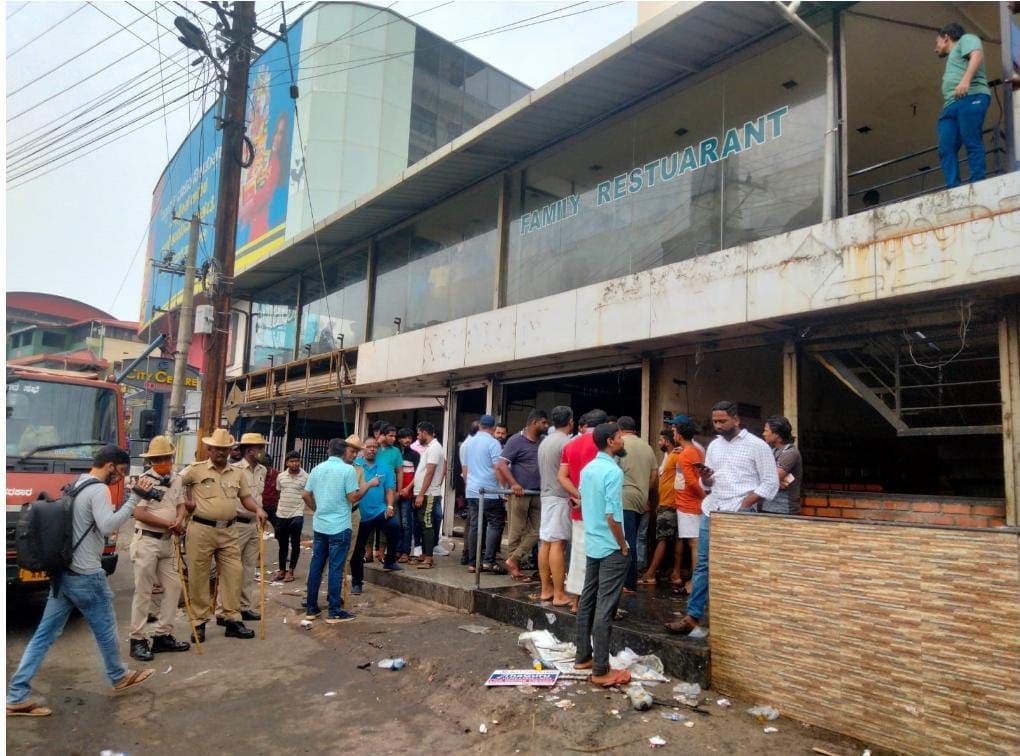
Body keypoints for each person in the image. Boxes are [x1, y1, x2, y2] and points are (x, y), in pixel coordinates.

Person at [6, 445, 155, 716]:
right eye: (120, 472)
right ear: (110, 465)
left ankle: (16, 695)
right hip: (86, 576)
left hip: (64, 574)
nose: (120, 478)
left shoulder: (75, 484)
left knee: (43, 636)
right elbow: (108, 526)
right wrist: (134, 499)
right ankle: (118, 675)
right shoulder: (98, 489)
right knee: (106, 629)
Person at [665, 402, 778, 639]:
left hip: (740, 512)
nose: (718, 425)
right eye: (715, 421)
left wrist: (746, 503)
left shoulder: (757, 446)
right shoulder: (714, 446)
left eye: (722, 421)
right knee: (703, 565)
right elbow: (710, 483)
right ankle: (692, 616)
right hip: (712, 509)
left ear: (736, 420)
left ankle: (742, 619)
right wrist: (706, 479)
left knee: (738, 566)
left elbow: (770, 483)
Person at [179, 429, 268, 642]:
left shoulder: (237, 473)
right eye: (217, 449)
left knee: (234, 574)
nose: (221, 452)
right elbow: (174, 486)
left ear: (230, 450)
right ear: (209, 449)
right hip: (201, 529)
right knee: (199, 577)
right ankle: (199, 622)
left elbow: (245, 497)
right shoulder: (195, 470)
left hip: (229, 530)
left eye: (225, 449)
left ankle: (232, 619)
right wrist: (184, 503)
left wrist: (258, 509)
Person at [573, 423, 632, 688]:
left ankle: (583, 656)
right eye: (620, 437)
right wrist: (622, 545)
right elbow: (612, 515)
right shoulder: (613, 471)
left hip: (593, 543)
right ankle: (600, 669)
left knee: (587, 599)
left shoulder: (588, 470)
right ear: (610, 441)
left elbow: (584, 502)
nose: (623, 440)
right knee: (605, 606)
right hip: (610, 546)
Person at [128, 436, 191, 662]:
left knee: (174, 587)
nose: (163, 462)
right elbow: (138, 513)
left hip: (168, 541)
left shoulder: (176, 480)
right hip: (147, 540)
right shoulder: (144, 481)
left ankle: (163, 634)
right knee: (143, 591)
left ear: (171, 458)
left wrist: (180, 520)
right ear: (151, 461)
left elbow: (181, 505)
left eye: (166, 458)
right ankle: (137, 638)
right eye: (158, 459)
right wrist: (168, 523)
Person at [301, 438, 361, 623]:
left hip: (320, 525)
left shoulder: (317, 469)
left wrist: (317, 509)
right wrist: (366, 487)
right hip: (340, 526)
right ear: (344, 452)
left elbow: (305, 494)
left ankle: (311, 608)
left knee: (316, 566)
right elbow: (352, 497)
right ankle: (334, 610)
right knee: (335, 568)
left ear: (328, 451)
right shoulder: (348, 470)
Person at [217, 432, 268, 625]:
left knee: (249, 568)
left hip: (254, 523)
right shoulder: (234, 470)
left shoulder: (262, 470)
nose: (262, 451)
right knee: (231, 569)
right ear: (250, 449)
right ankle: (223, 610)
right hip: (236, 524)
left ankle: (245, 606)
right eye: (259, 448)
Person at [558, 409, 607, 606]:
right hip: (599, 510)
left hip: (578, 509)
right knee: (600, 557)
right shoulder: (603, 445)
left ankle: (577, 602)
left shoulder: (571, 445)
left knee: (578, 556)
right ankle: (595, 602)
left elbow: (562, 476)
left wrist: (579, 495)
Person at [935, 22, 991, 188]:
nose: (935, 48)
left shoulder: (967, 39)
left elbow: (976, 55)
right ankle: (953, 187)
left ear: (946, 37)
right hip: (951, 104)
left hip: (972, 95)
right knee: (945, 147)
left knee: (971, 140)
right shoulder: (952, 58)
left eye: (936, 42)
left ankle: (978, 182)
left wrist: (965, 80)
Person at [497, 409, 549, 582]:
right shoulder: (516, 440)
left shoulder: (543, 441)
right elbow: (502, 465)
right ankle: (515, 569)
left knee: (538, 530)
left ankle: (514, 559)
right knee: (516, 531)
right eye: (543, 422)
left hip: (537, 492)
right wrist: (514, 484)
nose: (546, 426)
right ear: (534, 422)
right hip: (520, 494)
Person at [350, 437, 401, 594]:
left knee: (395, 526)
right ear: (363, 449)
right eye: (369, 446)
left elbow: (389, 490)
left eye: (375, 447)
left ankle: (390, 560)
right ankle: (357, 582)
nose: (372, 449)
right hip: (360, 514)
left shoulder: (384, 467)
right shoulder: (355, 467)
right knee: (357, 549)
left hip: (379, 510)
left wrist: (390, 506)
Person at [537, 405, 574, 606]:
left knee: (546, 542)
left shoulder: (545, 442)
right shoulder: (566, 443)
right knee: (558, 543)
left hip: (546, 495)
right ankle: (559, 594)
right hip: (560, 497)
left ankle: (546, 589)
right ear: (570, 421)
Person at [616, 416, 657, 592]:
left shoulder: (619, 445)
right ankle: (629, 580)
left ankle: (628, 582)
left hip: (624, 497)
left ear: (619, 429)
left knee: (625, 541)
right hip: (641, 499)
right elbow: (654, 475)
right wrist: (644, 491)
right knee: (632, 538)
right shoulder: (647, 447)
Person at [639, 429, 681, 587]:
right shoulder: (669, 457)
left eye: (661, 440)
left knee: (662, 539)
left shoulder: (676, 456)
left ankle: (650, 574)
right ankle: (674, 573)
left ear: (668, 442)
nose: (659, 443)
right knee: (676, 539)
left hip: (670, 503)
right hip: (668, 502)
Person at [462, 415, 504, 573]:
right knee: (494, 523)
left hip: (472, 490)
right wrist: (502, 489)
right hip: (489, 490)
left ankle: (473, 563)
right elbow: (497, 467)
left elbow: (465, 470)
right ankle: (488, 561)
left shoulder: (468, 443)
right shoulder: (493, 443)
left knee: (475, 525)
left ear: (480, 426)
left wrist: (469, 486)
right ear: (493, 427)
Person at [669, 415, 706, 594]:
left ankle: (695, 583)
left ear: (679, 434)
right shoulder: (695, 450)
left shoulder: (686, 453)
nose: (672, 434)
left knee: (694, 543)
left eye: (674, 431)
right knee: (695, 543)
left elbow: (692, 482)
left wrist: (704, 497)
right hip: (692, 503)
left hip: (689, 504)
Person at [413, 421, 446, 569]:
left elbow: (430, 472)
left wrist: (421, 494)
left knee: (427, 524)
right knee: (423, 523)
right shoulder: (430, 448)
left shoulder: (434, 448)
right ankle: (425, 554)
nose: (418, 436)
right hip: (426, 492)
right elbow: (444, 465)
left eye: (419, 433)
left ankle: (429, 558)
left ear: (424, 433)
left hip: (428, 493)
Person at [273, 451, 308, 582]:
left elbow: (308, 494)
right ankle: (282, 570)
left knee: (295, 543)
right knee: (282, 544)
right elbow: (278, 493)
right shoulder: (281, 476)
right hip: (282, 514)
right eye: (291, 461)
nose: (294, 463)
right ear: (287, 463)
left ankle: (291, 570)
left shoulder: (306, 477)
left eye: (297, 461)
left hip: (297, 514)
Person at [761, 416, 803, 515]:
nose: (764, 434)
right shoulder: (773, 451)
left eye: (766, 431)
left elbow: (772, 478)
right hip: (769, 505)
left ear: (776, 434)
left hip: (784, 508)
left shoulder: (790, 452)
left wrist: (772, 480)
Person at [395, 428, 420, 562]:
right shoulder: (394, 453)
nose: (407, 440)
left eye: (409, 437)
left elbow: (417, 475)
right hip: (394, 493)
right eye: (404, 437)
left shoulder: (415, 455)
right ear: (399, 439)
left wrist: (407, 489)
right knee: (396, 523)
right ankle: (397, 550)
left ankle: (405, 551)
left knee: (406, 523)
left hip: (407, 494)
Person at [260, 452, 280, 529]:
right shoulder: (256, 475)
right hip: (259, 507)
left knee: (277, 529)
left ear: (270, 466)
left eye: (266, 468)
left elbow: (280, 493)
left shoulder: (278, 475)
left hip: (273, 508)